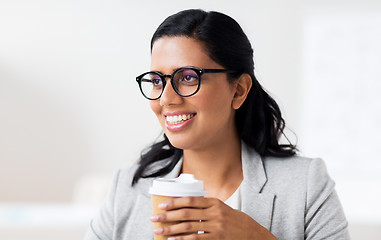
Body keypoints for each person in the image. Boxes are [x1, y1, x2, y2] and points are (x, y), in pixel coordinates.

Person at [85, 9, 349, 240]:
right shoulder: (129, 189)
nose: (166, 98)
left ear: (238, 90)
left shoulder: (305, 186)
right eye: (157, 80)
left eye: (187, 77)